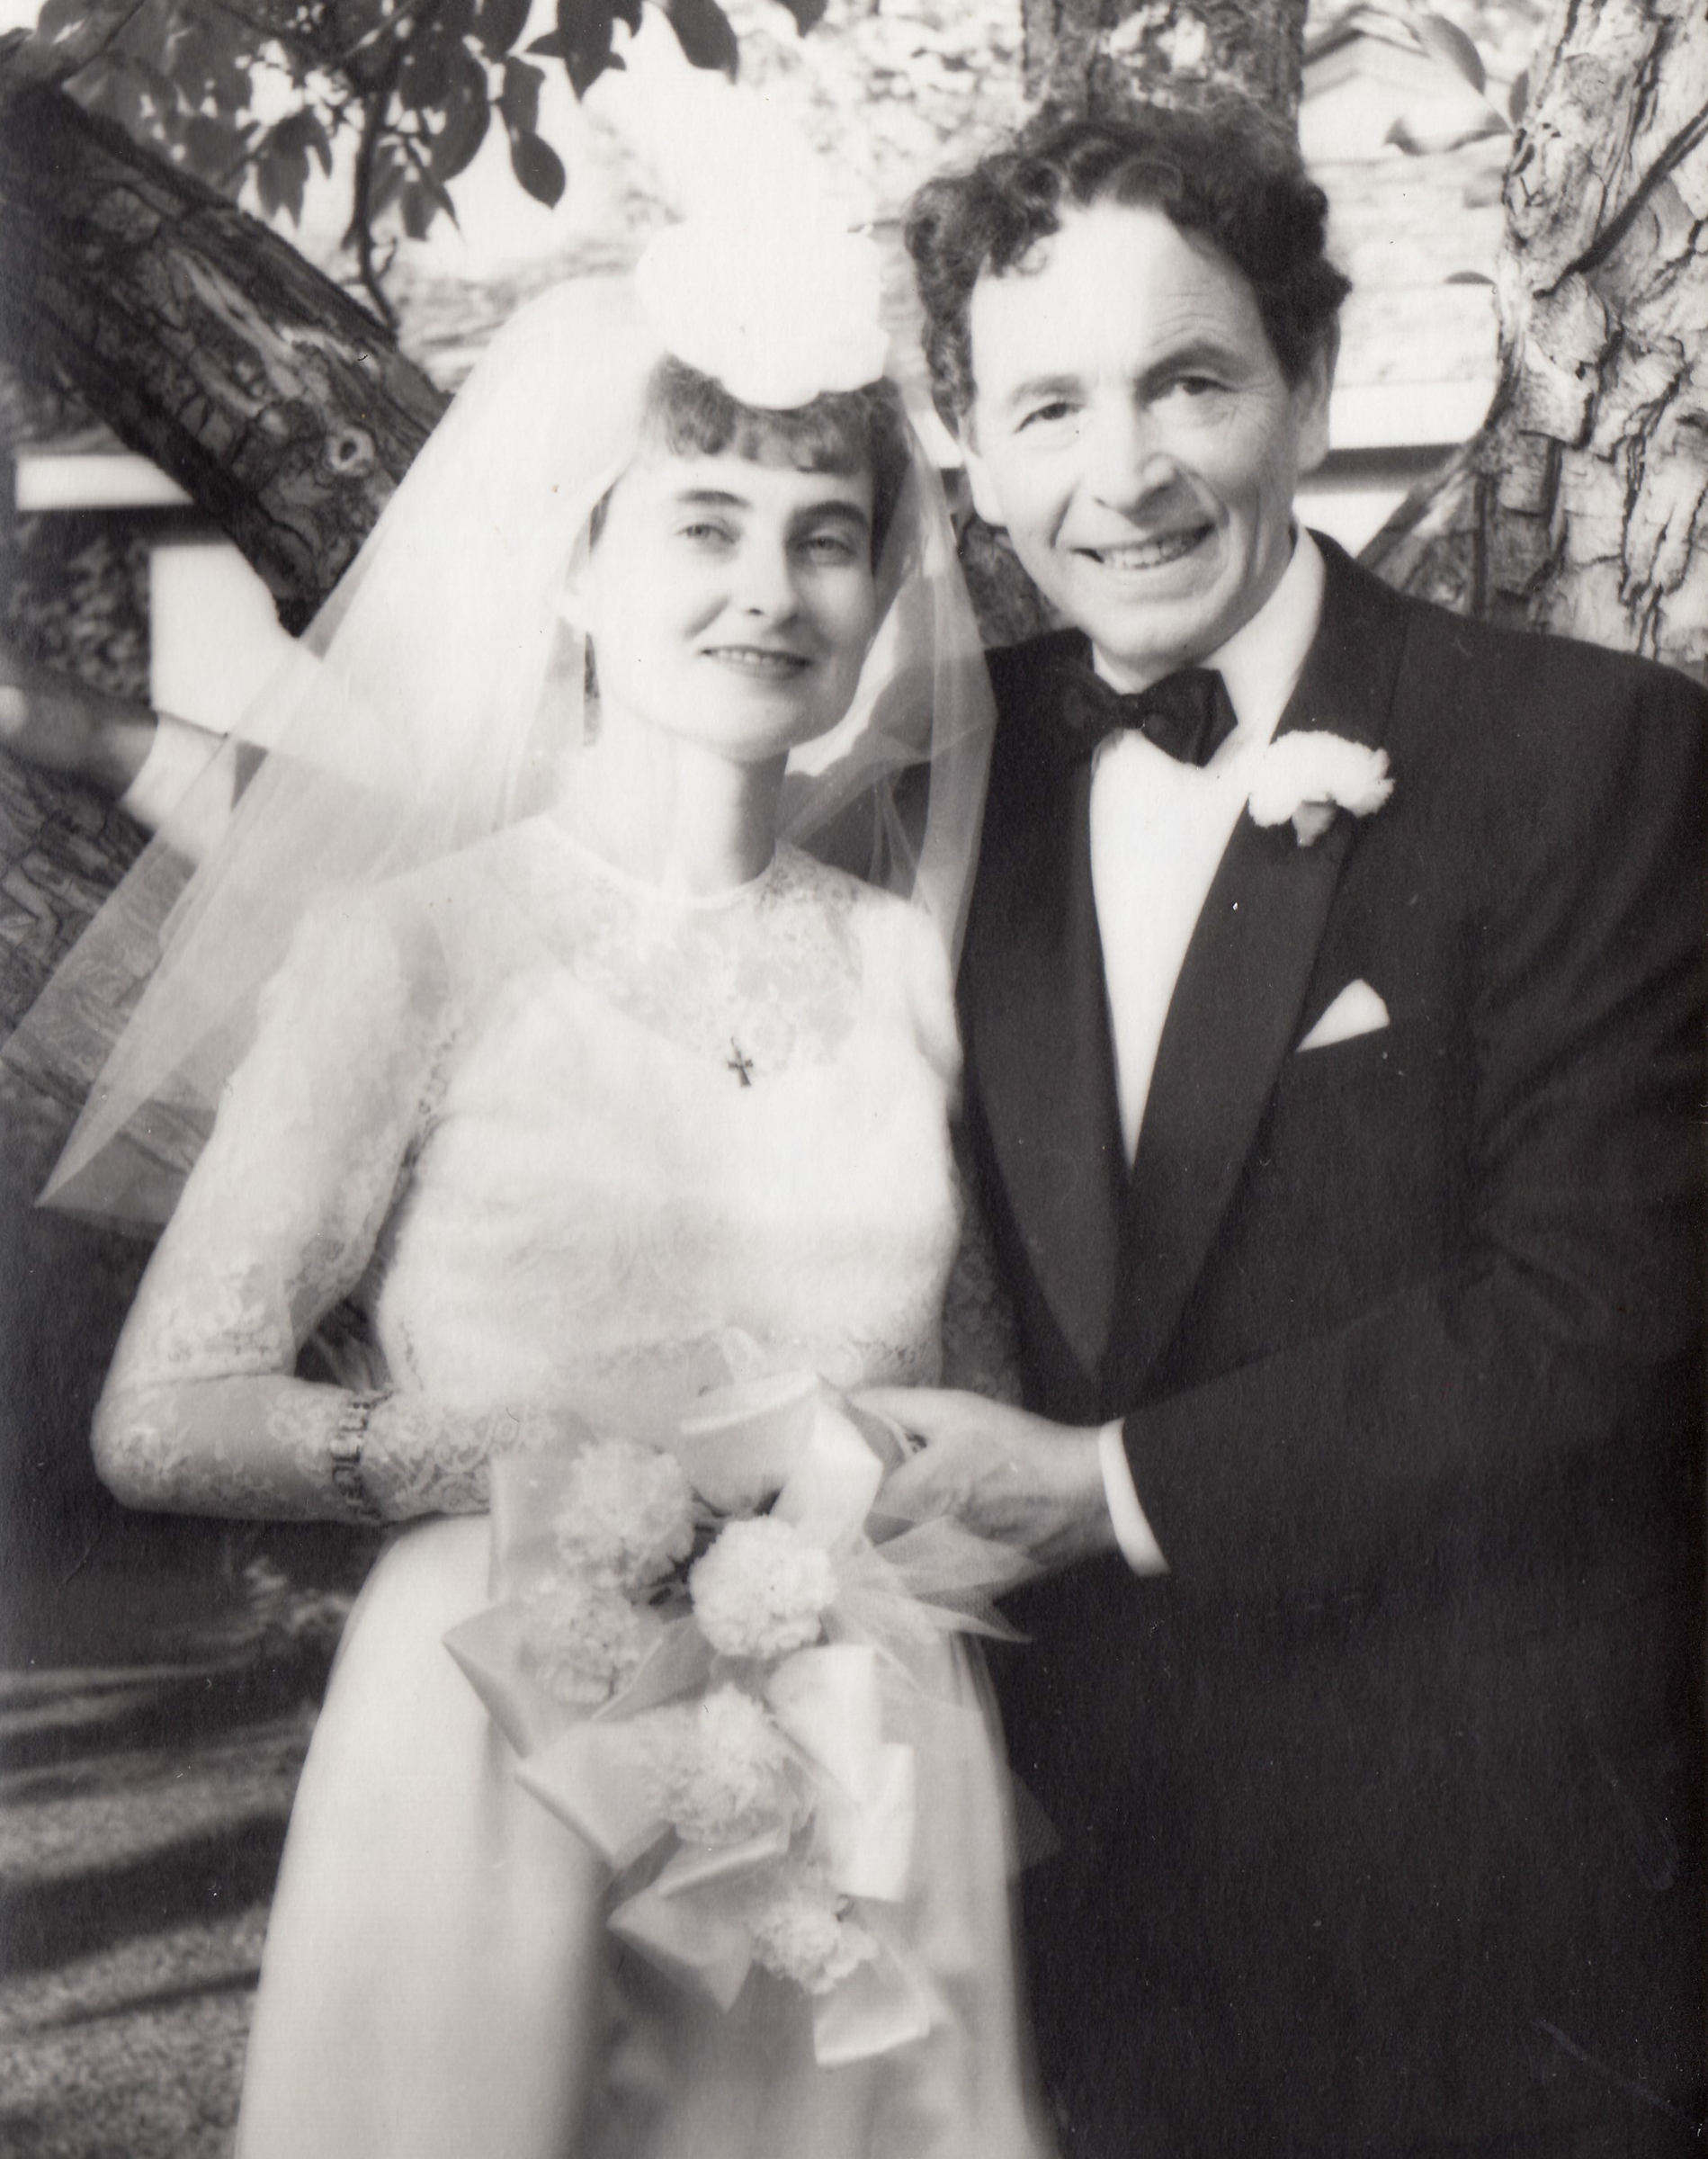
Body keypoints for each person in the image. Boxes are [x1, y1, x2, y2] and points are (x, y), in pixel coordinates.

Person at [20, 219, 1044, 2159]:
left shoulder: (904, 961)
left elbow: (968, 1396)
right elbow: (164, 1415)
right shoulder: (413, 945)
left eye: (827, 534)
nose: (770, 588)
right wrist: (568, 1459)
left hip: (851, 1761)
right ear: (576, 563)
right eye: (704, 523)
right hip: (498, 1743)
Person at [863, 107, 1706, 2156]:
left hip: (1495, 1906)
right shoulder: (931, 798)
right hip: (1076, 1923)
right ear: (967, 446)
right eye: (1046, 407)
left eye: (1189, 383)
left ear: (1311, 384)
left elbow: (1598, 1314)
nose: (1124, 473)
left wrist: (1104, 1489)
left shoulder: (1590, 755)